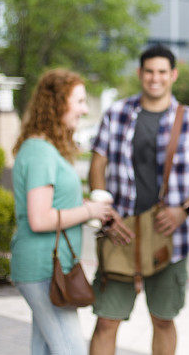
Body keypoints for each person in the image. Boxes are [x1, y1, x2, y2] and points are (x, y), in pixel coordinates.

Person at [88, 45, 189, 355]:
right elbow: (97, 165)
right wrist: (105, 214)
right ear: (139, 73)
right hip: (119, 232)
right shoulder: (117, 112)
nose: (155, 78)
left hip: (167, 237)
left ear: (173, 75)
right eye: (149, 71)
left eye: (162, 72)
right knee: (106, 320)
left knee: (162, 320)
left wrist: (184, 210)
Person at [11, 69, 115, 355]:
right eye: (79, 101)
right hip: (43, 269)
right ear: (58, 103)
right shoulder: (41, 152)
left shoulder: (44, 149)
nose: (84, 109)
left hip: (49, 268)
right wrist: (89, 209)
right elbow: (40, 218)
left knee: (43, 349)